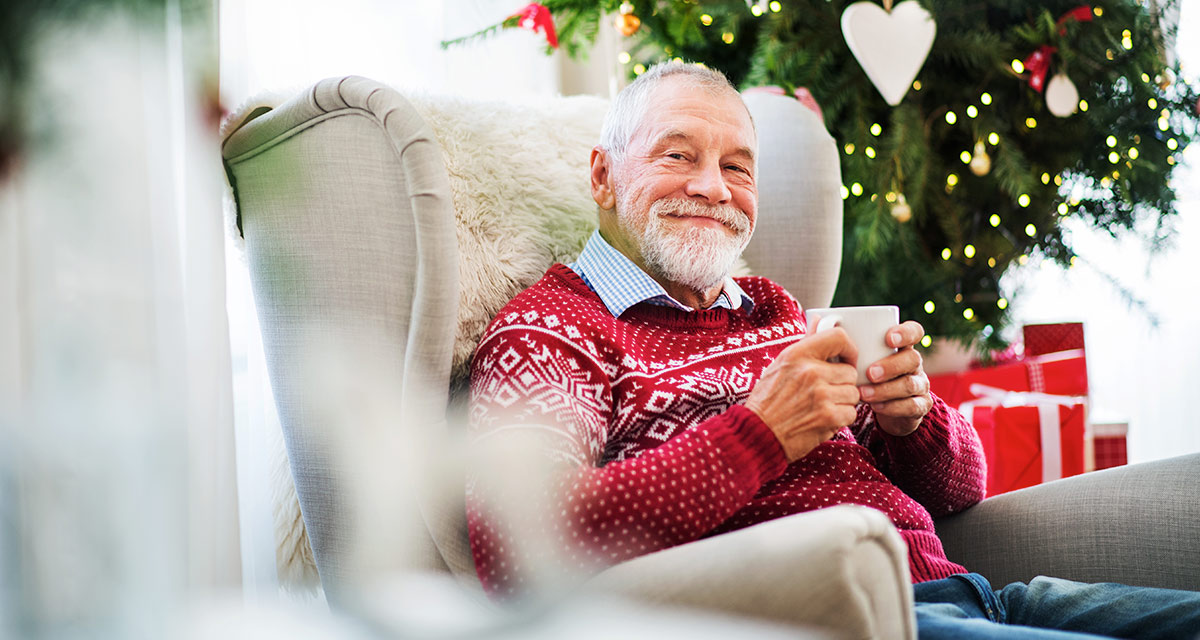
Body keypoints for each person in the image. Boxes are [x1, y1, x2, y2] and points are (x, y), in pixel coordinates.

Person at [465, 61, 1200, 638]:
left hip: (973, 593)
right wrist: (759, 435)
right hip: (840, 620)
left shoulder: (774, 309)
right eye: (678, 154)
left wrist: (915, 423)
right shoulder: (549, 330)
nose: (713, 188)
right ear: (603, 176)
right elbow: (514, 543)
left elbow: (959, 491)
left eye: (739, 167)